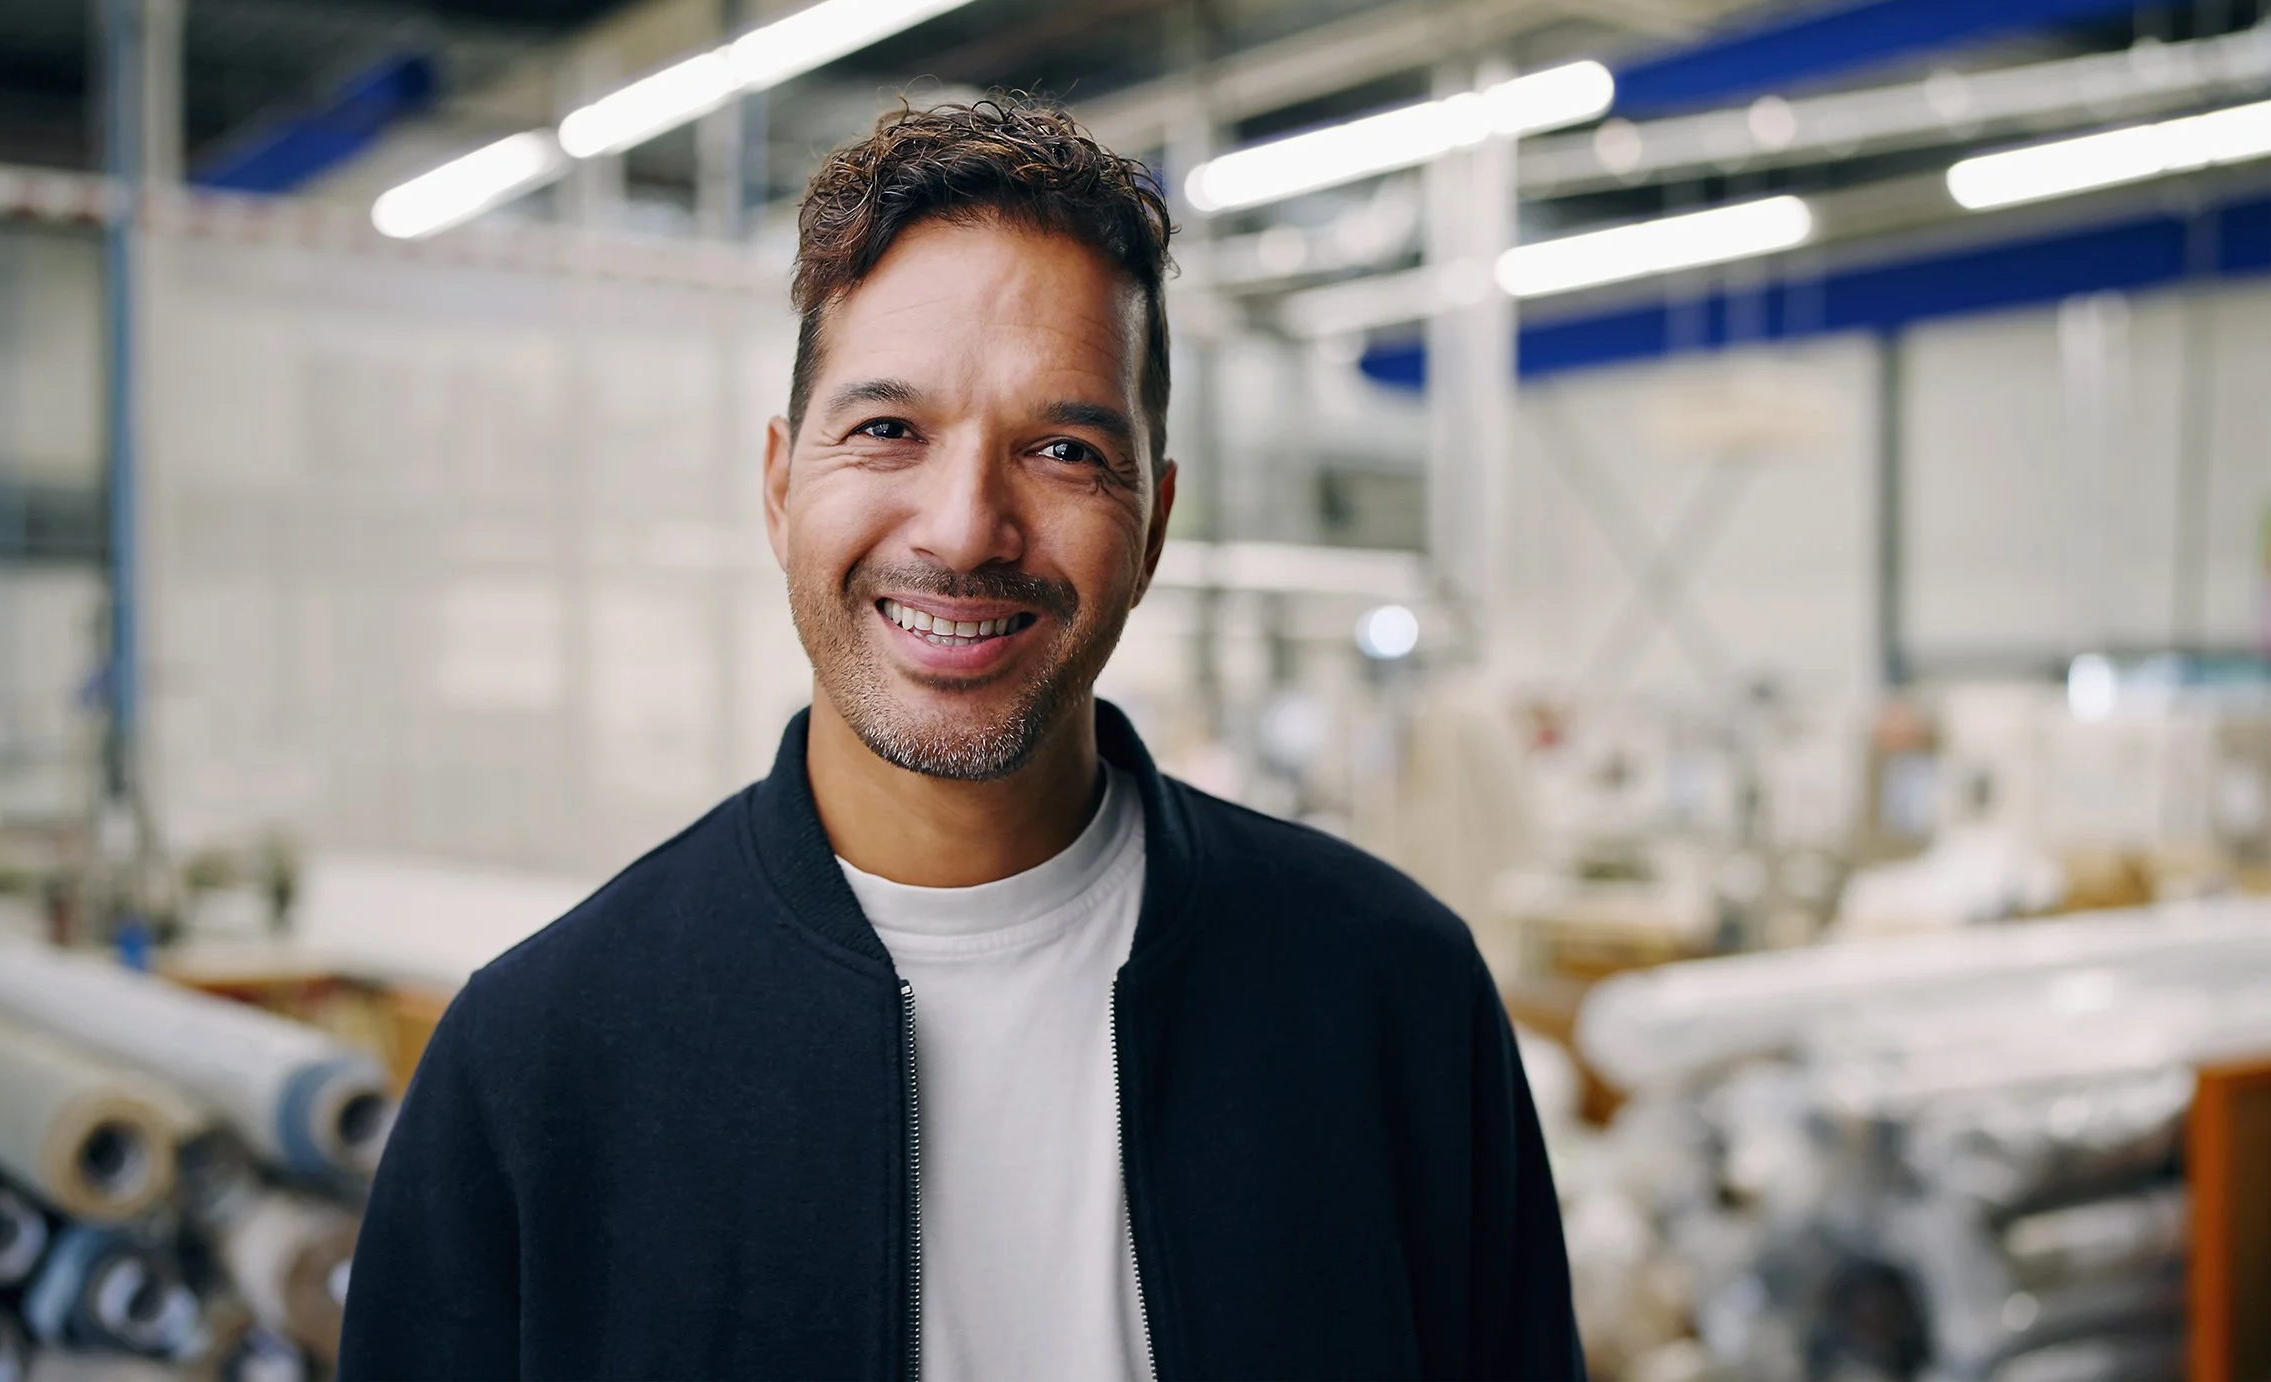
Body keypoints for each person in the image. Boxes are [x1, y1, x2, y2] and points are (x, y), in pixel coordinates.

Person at [339, 95, 1581, 1382]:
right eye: (887, 429)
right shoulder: (539, 1064)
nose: (963, 526)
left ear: (1151, 524)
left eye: (1061, 447)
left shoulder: (1390, 998)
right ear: (780, 486)